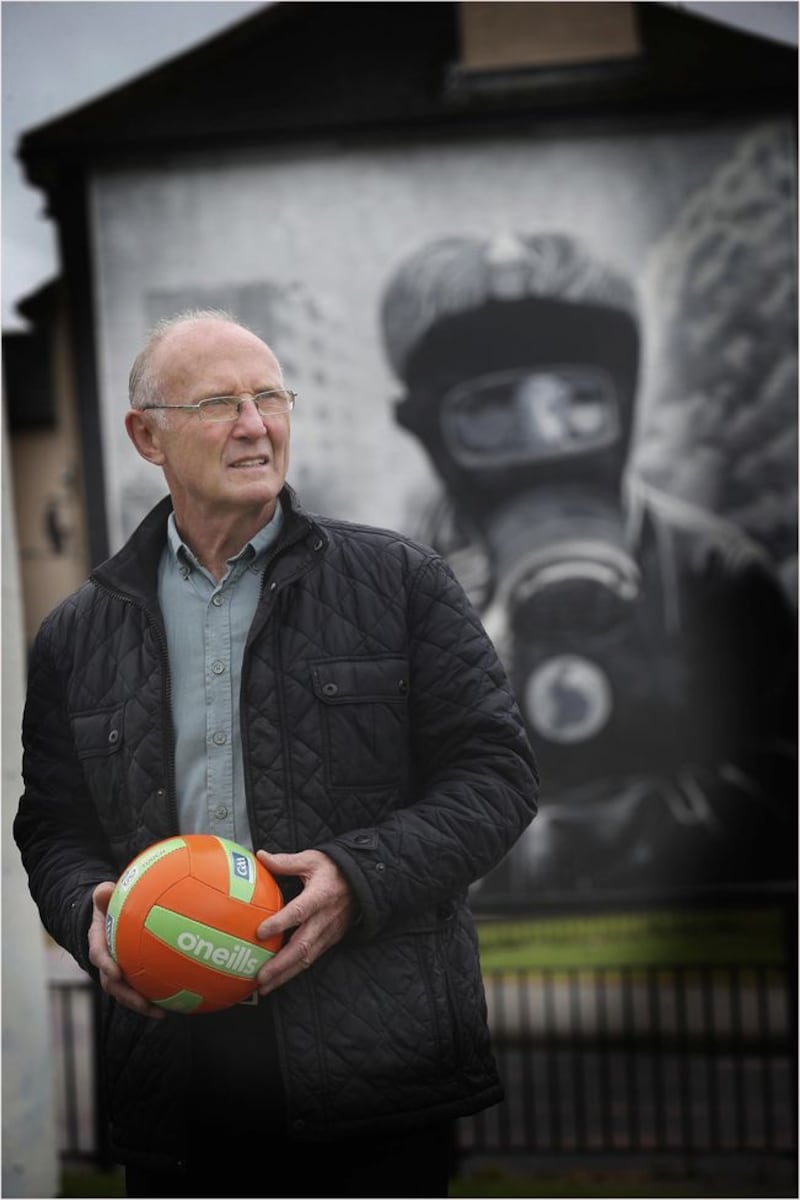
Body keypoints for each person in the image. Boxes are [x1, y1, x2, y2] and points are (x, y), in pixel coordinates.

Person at [14, 310, 539, 1198]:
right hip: (176, 1084)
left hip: (376, 1073)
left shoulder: (401, 581)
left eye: (269, 397)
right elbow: (53, 829)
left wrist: (355, 877)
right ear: (148, 436)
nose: (256, 425)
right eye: (220, 403)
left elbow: (498, 775)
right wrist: (89, 919)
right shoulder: (78, 633)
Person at [380, 231, 796, 894]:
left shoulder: (713, 573)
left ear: (625, 403)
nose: (545, 443)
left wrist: (549, 851)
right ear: (425, 427)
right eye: (488, 411)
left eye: (578, 402)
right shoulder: (394, 599)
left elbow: (781, 790)